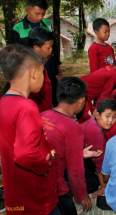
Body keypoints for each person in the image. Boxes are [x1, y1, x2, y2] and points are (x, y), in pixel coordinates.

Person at [0, 44, 59, 215]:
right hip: (36, 196)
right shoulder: (27, 107)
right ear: (33, 73)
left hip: (17, 192)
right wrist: (44, 165)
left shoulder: (4, 102)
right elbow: (25, 153)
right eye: (42, 72)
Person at [41, 77, 93, 214]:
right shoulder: (72, 127)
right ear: (81, 100)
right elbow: (75, 170)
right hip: (55, 186)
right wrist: (81, 194)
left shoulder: (43, 114)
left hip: (38, 178)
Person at [9, 0, 62, 108]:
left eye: (43, 14)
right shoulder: (18, 29)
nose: (40, 17)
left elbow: (54, 46)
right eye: (37, 13)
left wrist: (57, 66)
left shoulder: (47, 24)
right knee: (34, 100)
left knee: (51, 96)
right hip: (30, 72)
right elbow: (13, 54)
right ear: (27, 10)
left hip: (49, 69)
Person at [77, 55, 116, 123]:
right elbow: (105, 94)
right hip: (81, 93)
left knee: (91, 117)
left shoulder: (110, 68)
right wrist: (97, 109)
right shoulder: (114, 75)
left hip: (84, 93)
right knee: (89, 120)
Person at [82, 99, 116, 199]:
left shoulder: (92, 122)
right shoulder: (96, 132)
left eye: (114, 117)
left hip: (81, 152)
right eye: (107, 116)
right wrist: (103, 186)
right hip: (72, 160)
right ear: (97, 115)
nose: (110, 120)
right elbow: (99, 162)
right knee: (93, 184)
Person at [28, 27, 54, 112]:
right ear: (36, 48)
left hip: (46, 109)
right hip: (39, 111)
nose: (51, 50)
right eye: (48, 48)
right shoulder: (34, 67)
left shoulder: (41, 63)